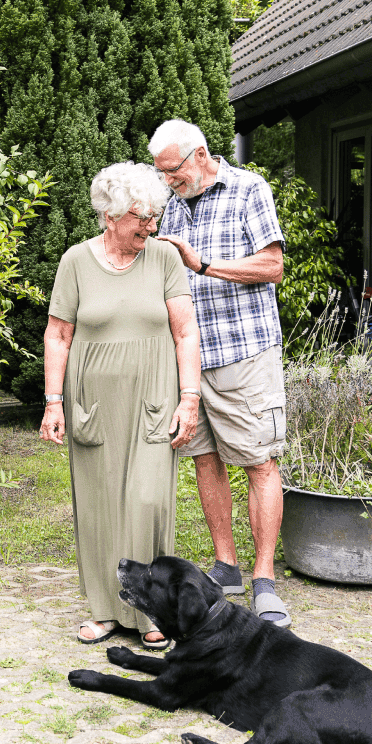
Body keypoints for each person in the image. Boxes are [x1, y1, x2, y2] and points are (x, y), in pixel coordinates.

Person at [39, 160, 202, 649]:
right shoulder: (75, 261)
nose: (149, 227)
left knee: (147, 503)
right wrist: (53, 402)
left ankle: (150, 610)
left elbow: (185, 330)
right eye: (140, 217)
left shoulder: (164, 259)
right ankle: (107, 610)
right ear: (110, 216)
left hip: (155, 398)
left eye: (153, 216)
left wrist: (189, 398)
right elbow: (58, 334)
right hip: (94, 403)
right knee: (99, 507)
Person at [148, 119, 292, 628]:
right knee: (205, 460)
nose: (166, 181)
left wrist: (203, 264)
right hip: (188, 361)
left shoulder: (249, 190)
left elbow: (271, 267)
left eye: (172, 171)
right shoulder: (170, 203)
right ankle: (226, 565)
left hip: (243, 353)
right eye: (161, 173)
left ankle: (264, 579)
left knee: (257, 462)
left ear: (200, 154)